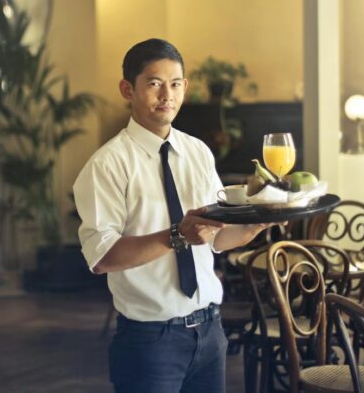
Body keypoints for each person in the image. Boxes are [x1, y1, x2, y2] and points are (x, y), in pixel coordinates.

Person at [74, 38, 272, 393]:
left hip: (211, 331)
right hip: (150, 341)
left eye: (176, 83)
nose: (167, 94)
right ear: (127, 89)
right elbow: (101, 257)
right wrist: (177, 236)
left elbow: (217, 239)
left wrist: (259, 222)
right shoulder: (106, 164)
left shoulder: (198, 152)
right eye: (154, 83)